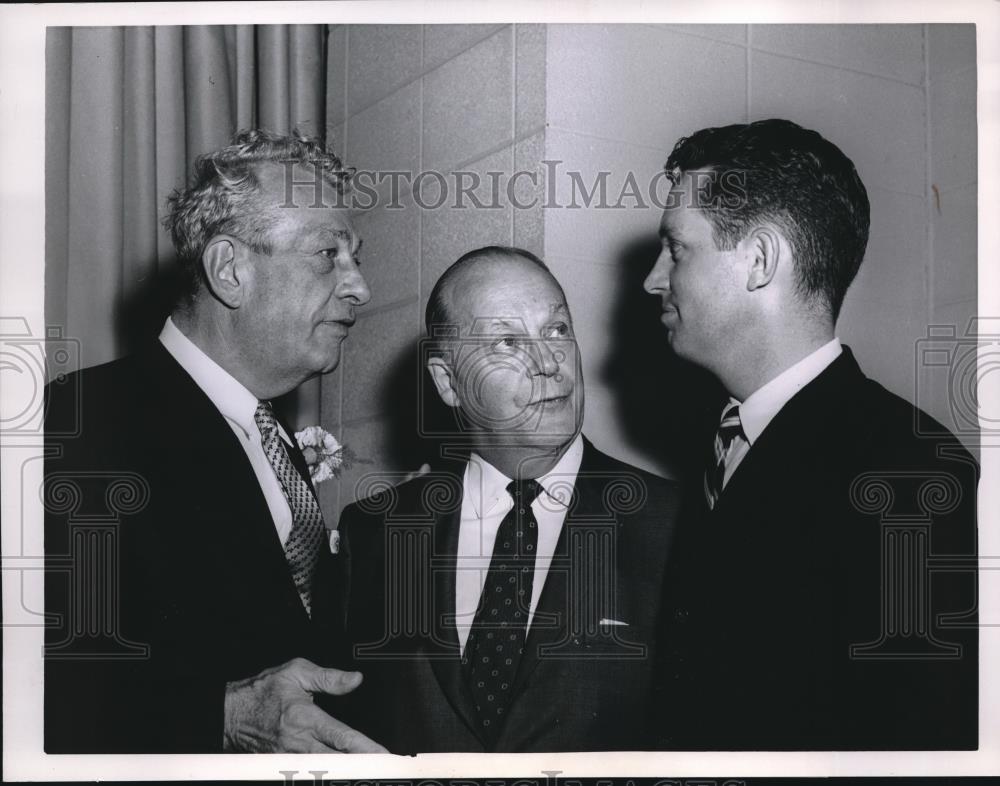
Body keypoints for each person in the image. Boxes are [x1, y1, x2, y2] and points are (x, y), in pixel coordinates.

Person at [44, 129, 386, 753]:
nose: (359, 286)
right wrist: (221, 716)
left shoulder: (275, 444)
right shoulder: (79, 420)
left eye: (356, 257)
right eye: (327, 255)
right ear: (231, 270)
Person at [644, 119, 978, 749]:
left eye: (677, 249)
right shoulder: (720, 445)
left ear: (761, 260)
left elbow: (920, 743)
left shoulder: (909, 472)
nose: (653, 279)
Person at [334, 246, 681, 752]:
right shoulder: (375, 533)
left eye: (557, 329)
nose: (548, 363)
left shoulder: (675, 525)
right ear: (448, 383)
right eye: (506, 342)